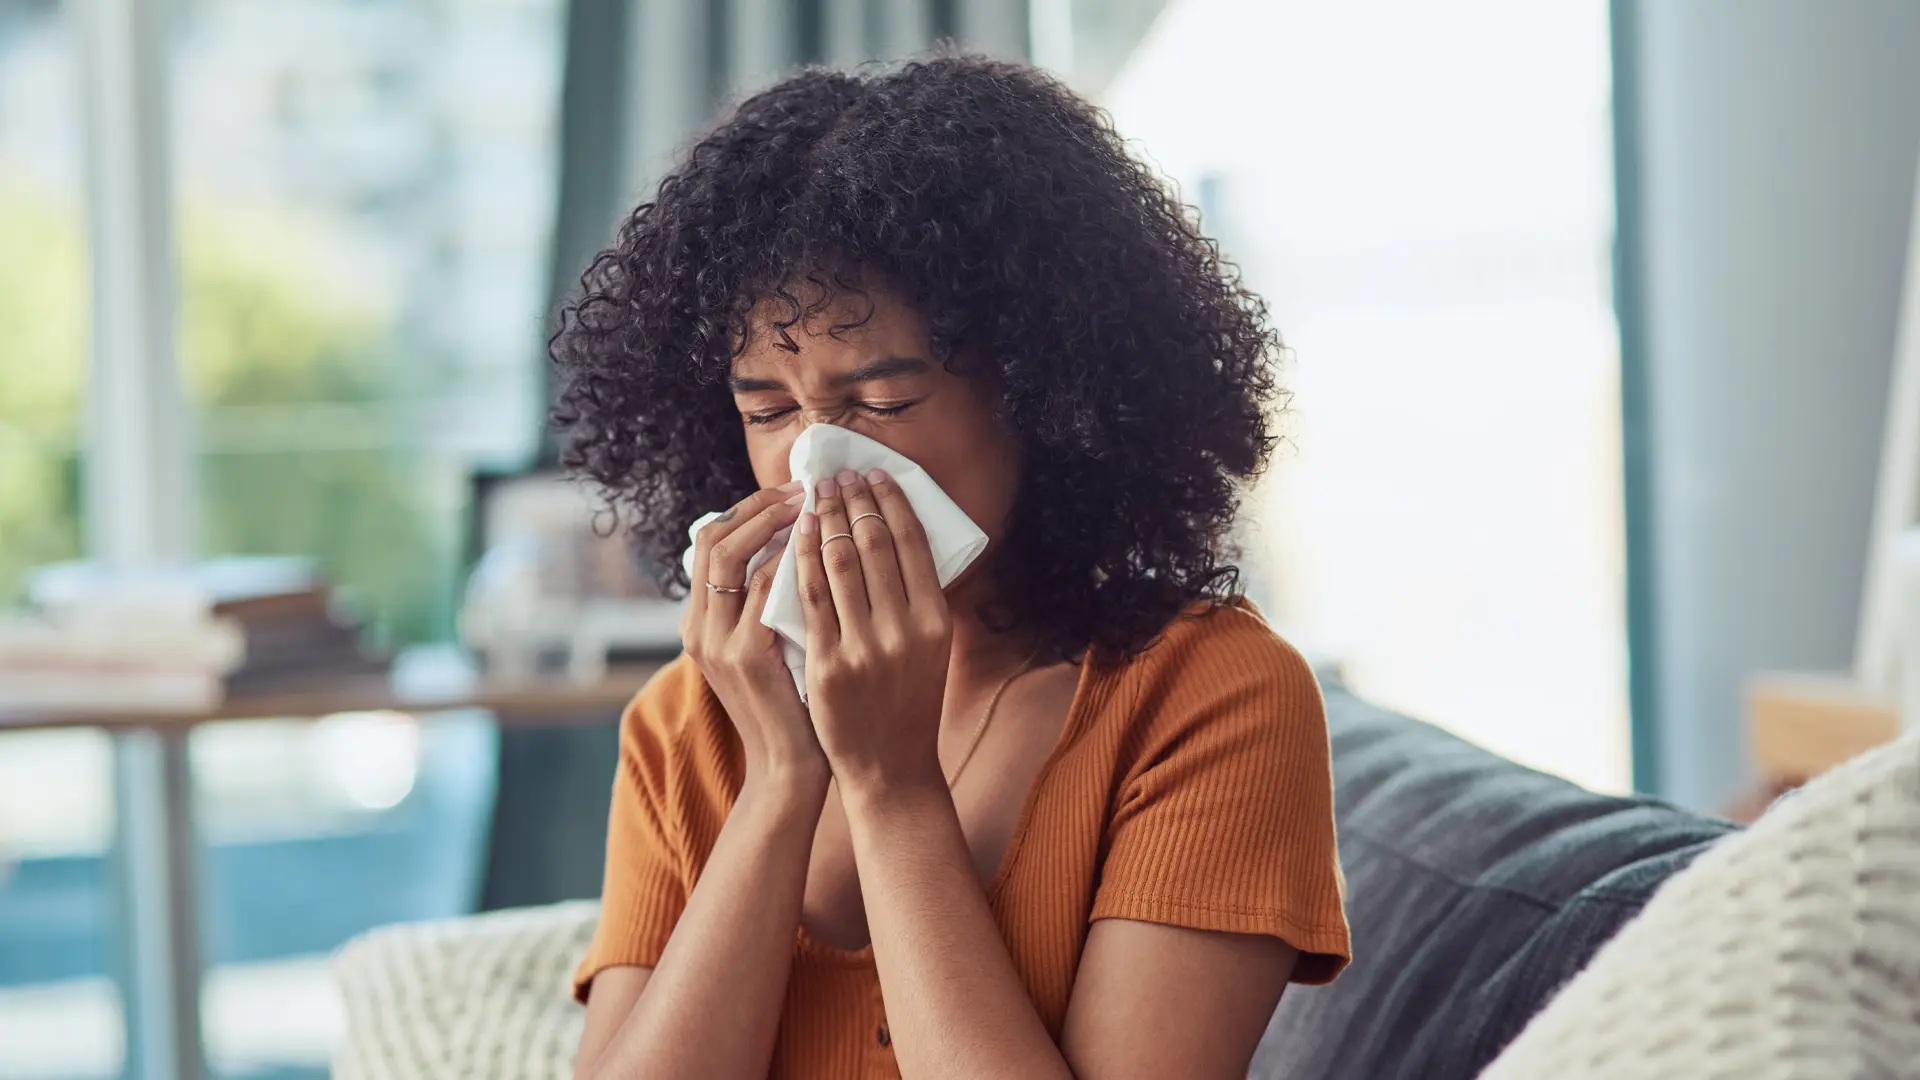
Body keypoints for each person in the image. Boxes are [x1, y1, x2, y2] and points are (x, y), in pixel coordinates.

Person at [549, 52, 1349, 1080]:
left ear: (1047, 395)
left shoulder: (1210, 699)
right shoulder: (689, 721)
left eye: (882, 403)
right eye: (768, 409)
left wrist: (890, 787)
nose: (817, 457)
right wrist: (784, 776)